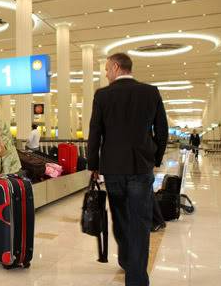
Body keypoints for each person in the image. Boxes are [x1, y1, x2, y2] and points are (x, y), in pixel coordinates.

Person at [87, 53, 168, 286]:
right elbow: (162, 130)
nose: (105, 73)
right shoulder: (151, 92)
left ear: (115, 67)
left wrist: (93, 165)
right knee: (140, 220)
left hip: (112, 168)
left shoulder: (102, 95)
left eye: (106, 69)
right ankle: (137, 277)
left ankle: (125, 259)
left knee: (120, 216)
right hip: (141, 167)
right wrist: (155, 158)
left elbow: (95, 133)